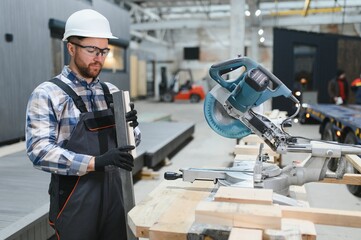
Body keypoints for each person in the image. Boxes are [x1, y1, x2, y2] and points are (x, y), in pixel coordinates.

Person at [25, 9, 141, 240]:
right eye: (92, 50)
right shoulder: (48, 94)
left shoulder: (113, 93)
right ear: (71, 47)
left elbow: (132, 143)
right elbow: (39, 151)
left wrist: (130, 130)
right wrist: (94, 162)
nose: (99, 57)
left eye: (104, 51)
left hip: (115, 195)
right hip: (74, 198)